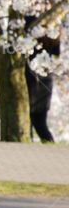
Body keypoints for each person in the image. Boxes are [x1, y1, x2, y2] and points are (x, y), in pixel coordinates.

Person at [25, 15, 61, 143]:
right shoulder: (54, 32)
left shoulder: (29, 25)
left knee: (33, 121)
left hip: (33, 78)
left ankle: (45, 147)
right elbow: (57, 52)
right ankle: (49, 146)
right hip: (45, 79)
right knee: (39, 122)